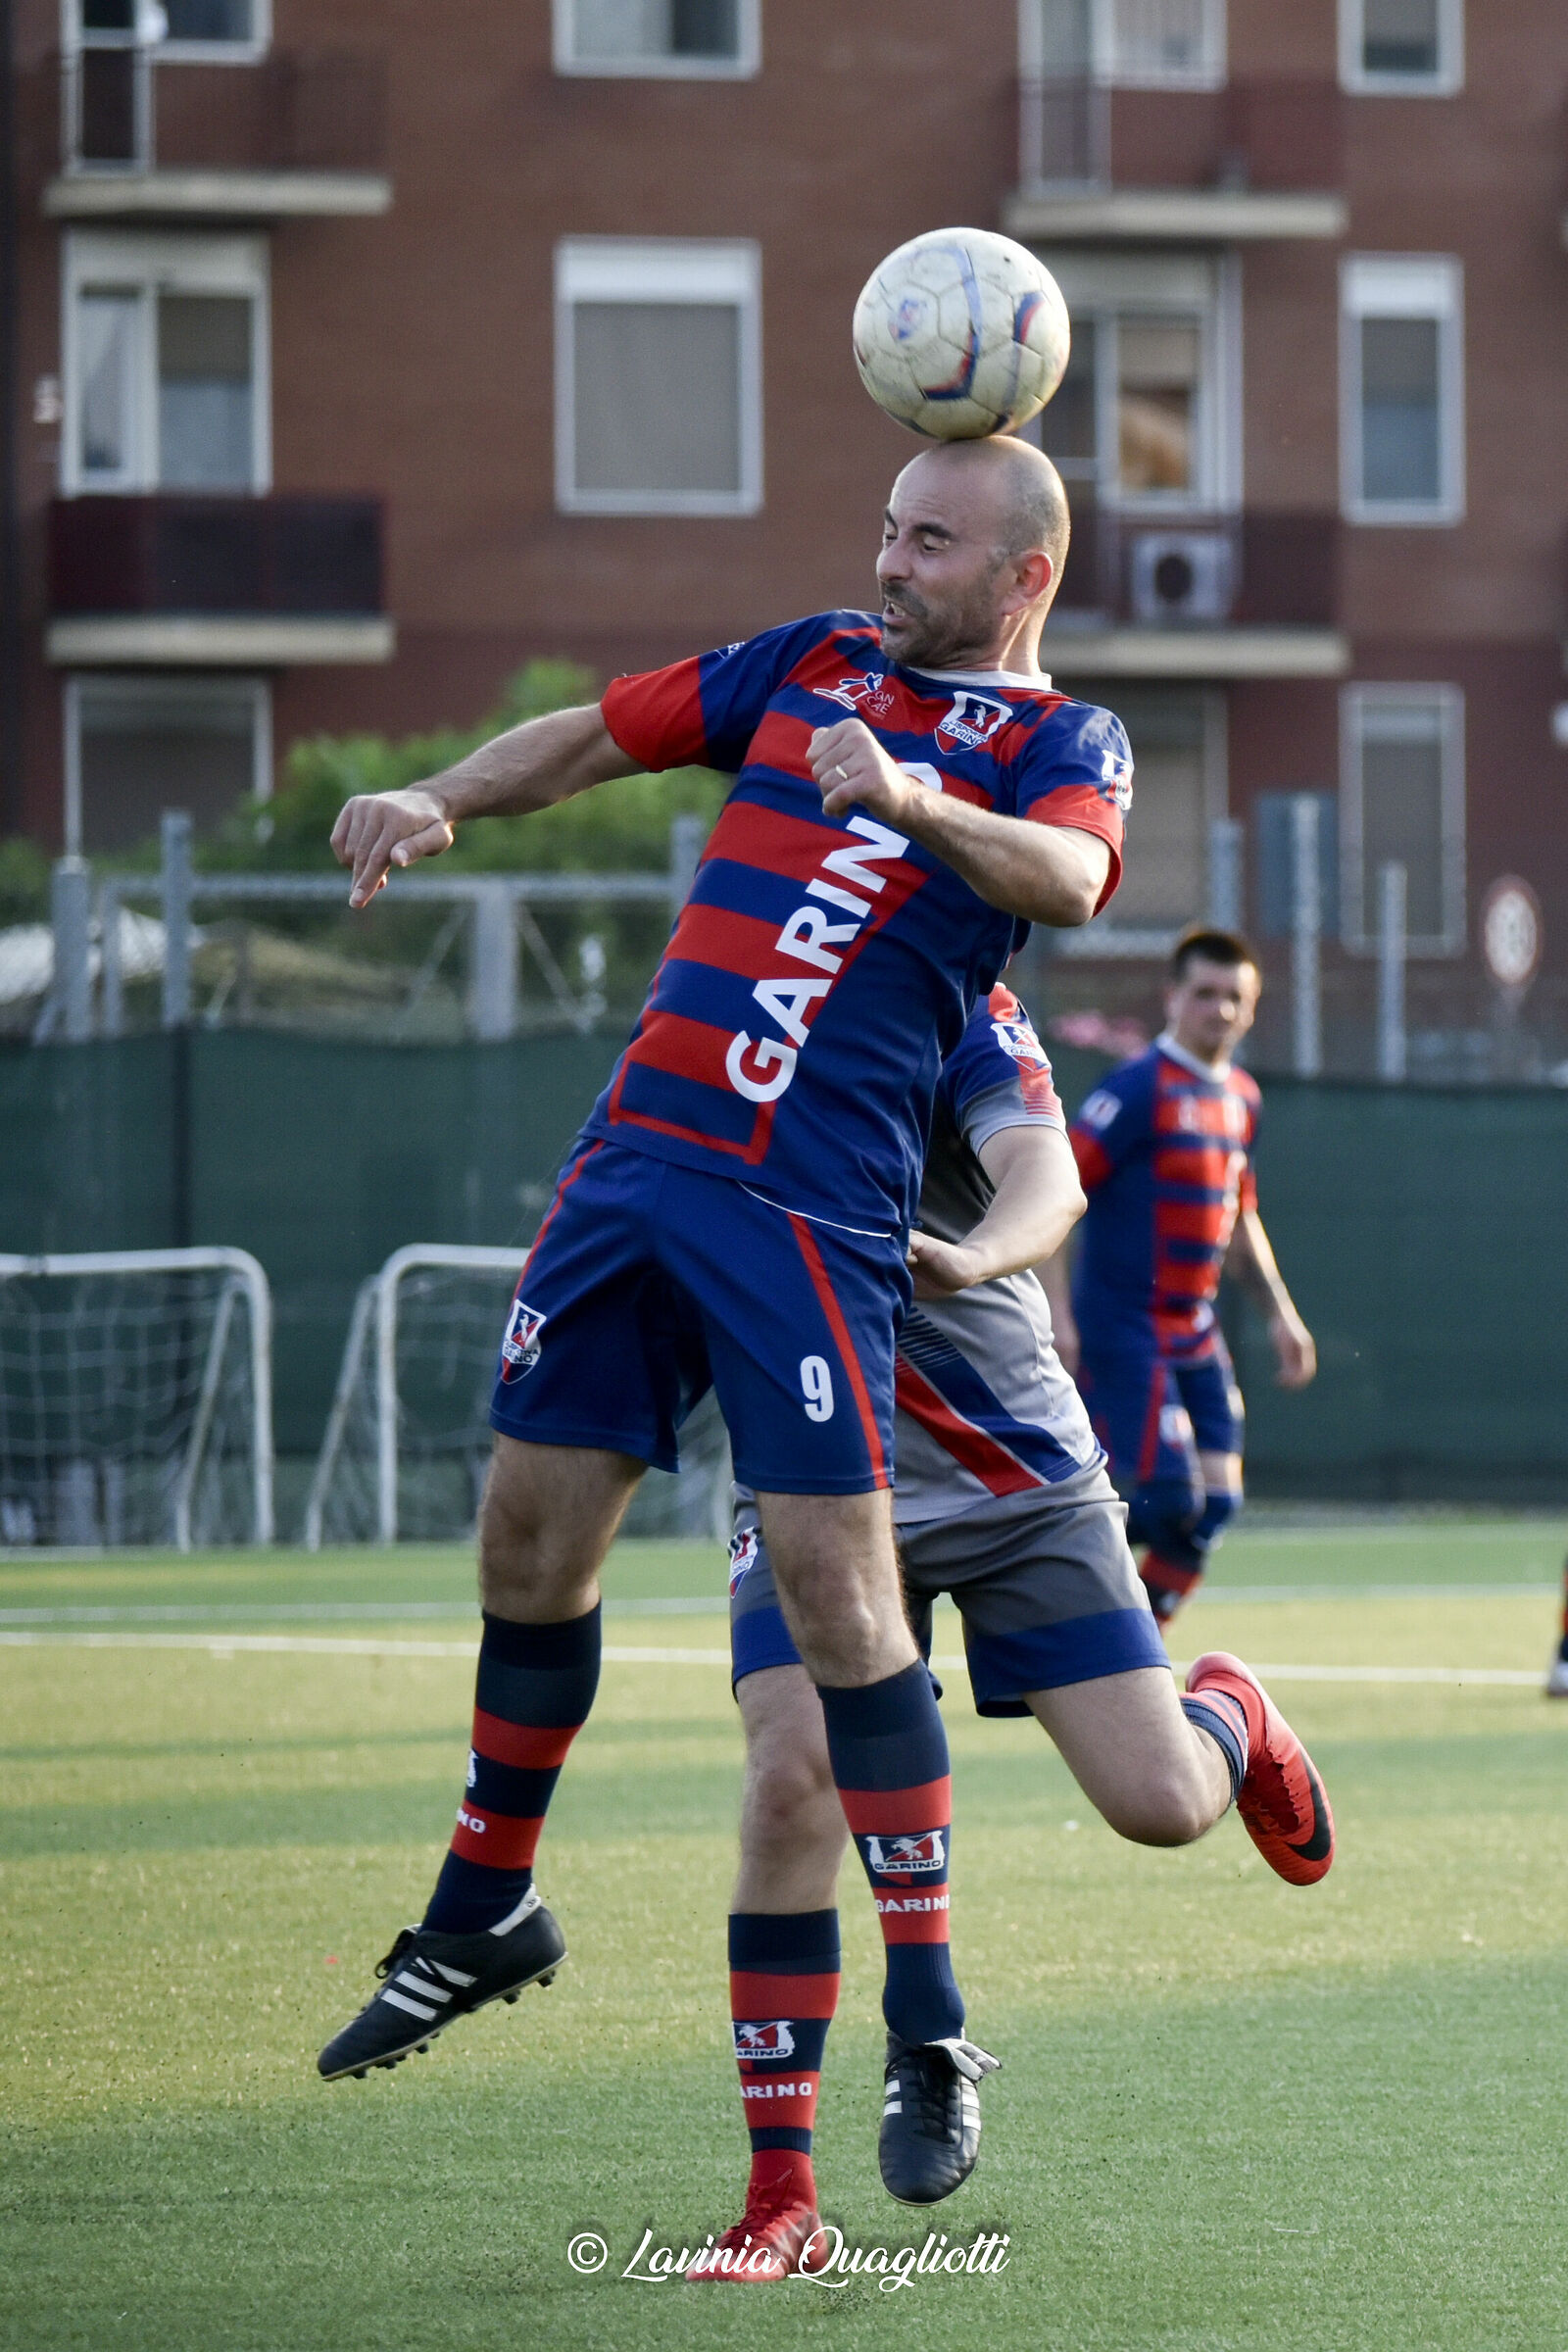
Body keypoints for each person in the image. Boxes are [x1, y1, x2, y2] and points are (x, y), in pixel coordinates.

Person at [315, 435, 1135, 2200]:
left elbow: (1070, 882)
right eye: (891, 526)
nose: (894, 559)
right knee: (527, 1544)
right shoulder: (808, 658)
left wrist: (911, 803)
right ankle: (485, 1903)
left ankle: (927, 2019)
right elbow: (601, 733)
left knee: (848, 1606)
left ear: (1025, 577)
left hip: (810, 1208)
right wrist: (448, 792)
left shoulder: (1064, 742)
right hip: (637, 1161)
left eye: (933, 540)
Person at [696, 986, 1336, 2281]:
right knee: (789, 1783)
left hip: (1010, 1470)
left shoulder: (962, 1006)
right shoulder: (712, 1003)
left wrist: (977, 1255)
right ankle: (782, 2196)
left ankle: (1230, 1713)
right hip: (813, 1476)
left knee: (1160, 1804)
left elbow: (1049, 1181)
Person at [1045, 929, 1315, 1627]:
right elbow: (1055, 1196)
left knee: (1216, 1506)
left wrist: (1281, 1314)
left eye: (1236, 998)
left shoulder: (1242, 1099)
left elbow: (1239, 1213)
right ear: (1173, 998)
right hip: (1123, 1325)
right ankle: (1035, 1562)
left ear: (1252, 1009)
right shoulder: (1137, 1089)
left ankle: (1125, 1649)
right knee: (1168, 1502)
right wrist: (1058, 1315)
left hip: (1195, 1330)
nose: (1220, 1011)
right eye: (1205, 994)